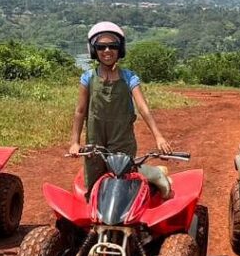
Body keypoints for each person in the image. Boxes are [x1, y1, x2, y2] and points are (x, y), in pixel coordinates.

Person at [68, 21, 174, 196]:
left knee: (124, 183)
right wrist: (75, 142)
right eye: (101, 47)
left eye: (112, 46)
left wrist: (159, 137)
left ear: (120, 49)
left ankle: (154, 174)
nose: (107, 51)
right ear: (94, 50)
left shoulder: (129, 77)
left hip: (122, 138)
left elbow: (143, 108)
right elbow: (80, 111)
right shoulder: (88, 78)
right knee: (94, 189)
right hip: (95, 140)